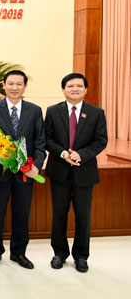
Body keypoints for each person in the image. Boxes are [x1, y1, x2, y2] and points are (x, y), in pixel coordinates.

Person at [45, 73, 108, 273]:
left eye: (79, 86)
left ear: (86, 90)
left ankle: (81, 256)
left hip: (84, 171)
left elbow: (100, 141)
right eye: (70, 86)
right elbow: (47, 139)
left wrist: (81, 155)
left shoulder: (96, 112)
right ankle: (59, 253)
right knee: (59, 215)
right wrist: (63, 154)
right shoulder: (53, 111)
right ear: (63, 89)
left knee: (83, 217)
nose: (74, 89)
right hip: (59, 171)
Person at [0, 70, 46, 270]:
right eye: (11, 83)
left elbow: (40, 141)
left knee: (22, 214)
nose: (14, 87)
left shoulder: (34, 110)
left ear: (25, 86)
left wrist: (36, 165)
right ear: (4, 85)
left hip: (26, 174)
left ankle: (19, 253)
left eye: (19, 84)